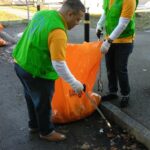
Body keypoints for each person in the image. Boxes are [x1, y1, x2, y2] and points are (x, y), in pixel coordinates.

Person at [12, 0, 85, 142]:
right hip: (37, 72)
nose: (78, 23)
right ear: (69, 14)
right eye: (77, 19)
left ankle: (34, 125)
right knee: (43, 103)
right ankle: (46, 132)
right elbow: (59, 64)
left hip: (21, 63)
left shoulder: (42, 14)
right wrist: (75, 83)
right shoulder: (58, 32)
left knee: (31, 97)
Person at [96, 0, 138, 108]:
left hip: (124, 40)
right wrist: (99, 24)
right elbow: (106, 12)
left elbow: (123, 24)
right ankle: (113, 92)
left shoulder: (129, 1)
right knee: (110, 66)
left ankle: (125, 94)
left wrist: (108, 41)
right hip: (109, 38)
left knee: (120, 68)